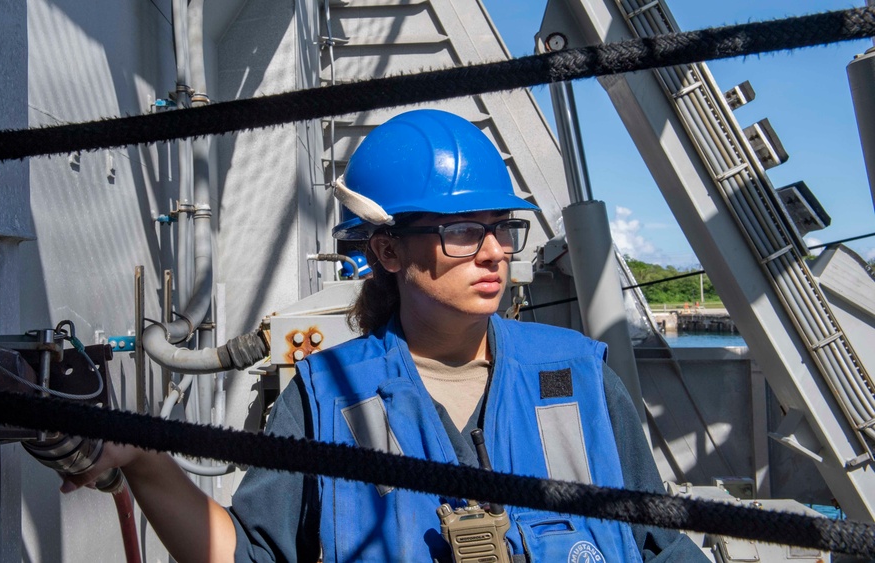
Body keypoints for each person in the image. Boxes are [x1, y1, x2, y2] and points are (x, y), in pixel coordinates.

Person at [63, 109, 706, 562]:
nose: (494, 253)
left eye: (502, 228)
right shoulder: (327, 397)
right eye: (461, 231)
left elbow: (662, 546)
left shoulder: (581, 378)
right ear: (389, 251)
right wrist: (147, 462)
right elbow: (251, 554)